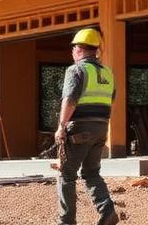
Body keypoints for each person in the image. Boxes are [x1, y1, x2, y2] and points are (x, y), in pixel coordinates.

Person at [55, 28, 119, 225]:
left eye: (74, 47)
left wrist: (61, 126)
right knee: (91, 172)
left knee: (66, 175)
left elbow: (70, 100)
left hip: (79, 129)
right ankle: (107, 211)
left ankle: (66, 221)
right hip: (101, 129)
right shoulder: (107, 73)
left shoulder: (76, 70)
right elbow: (111, 99)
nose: (73, 51)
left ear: (80, 49)